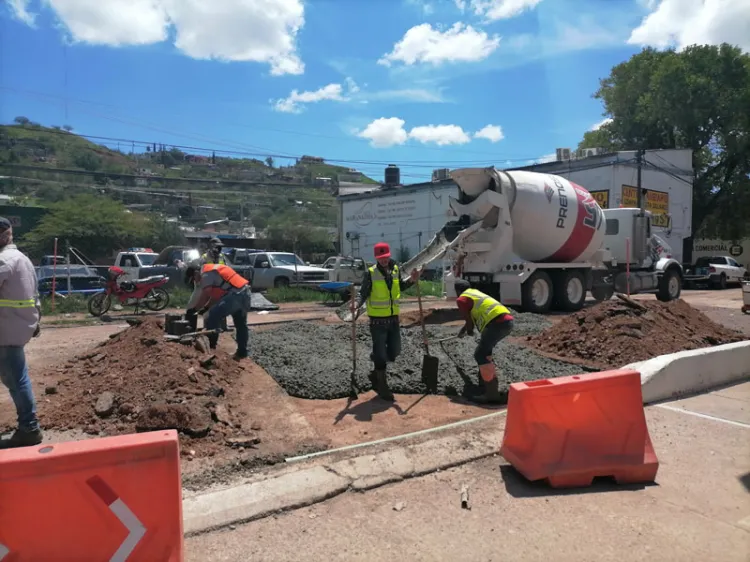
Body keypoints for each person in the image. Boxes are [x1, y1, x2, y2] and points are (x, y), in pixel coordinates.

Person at [354, 242, 421, 401]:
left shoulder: (396, 269)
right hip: (377, 321)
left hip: (393, 319)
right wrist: (356, 304)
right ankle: (382, 386)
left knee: (395, 350)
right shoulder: (371, 273)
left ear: (389, 255)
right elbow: (363, 293)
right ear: (376, 258)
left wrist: (412, 280)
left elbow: (401, 287)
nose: (383, 260)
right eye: (380, 258)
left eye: (385, 257)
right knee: (381, 353)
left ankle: (376, 361)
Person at [0, 217, 43, 449]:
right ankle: (28, 426)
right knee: (13, 377)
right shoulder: (22, 258)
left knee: (16, 378)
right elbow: (35, 293)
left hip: (6, 329)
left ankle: (29, 428)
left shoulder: (4, 260)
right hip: (16, 327)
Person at [453, 278, 514, 404]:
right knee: (485, 353)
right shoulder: (474, 293)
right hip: (507, 321)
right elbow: (472, 316)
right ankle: (486, 385)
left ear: (457, 291)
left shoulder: (461, 299)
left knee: (480, 354)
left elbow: (468, 319)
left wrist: (469, 330)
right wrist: (465, 329)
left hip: (497, 323)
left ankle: (491, 394)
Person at [185, 261, 252, 360]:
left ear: (195, 273)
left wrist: (194, 309)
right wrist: (206, 308)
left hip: (236, 295)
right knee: (240, 324)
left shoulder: (206, 274)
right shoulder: (212, 271)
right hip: (245, 293)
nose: (196, 281)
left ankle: (211, 349)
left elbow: (205, 295)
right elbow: (215, 297)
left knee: (213, 316)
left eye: (194, 279)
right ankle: (242, 352)